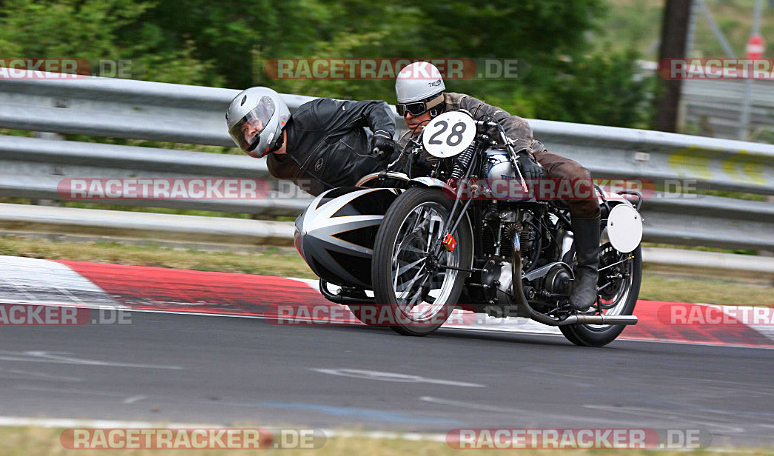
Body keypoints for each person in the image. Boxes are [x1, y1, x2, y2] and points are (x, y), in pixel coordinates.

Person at [393, 61, 600, 311]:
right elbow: (397, 171)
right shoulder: (411, 138)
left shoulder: (463, 105)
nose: (407, 117)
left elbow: (514, 123)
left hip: (514, 156)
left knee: (575, 176)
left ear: (435, 106)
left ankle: (588, 270)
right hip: (472, 188)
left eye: (415, 109)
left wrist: (523, 154)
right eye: (402, 110)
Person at [225, 87, 396, 197]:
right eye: (245, 131)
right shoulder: (277, 167)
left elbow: (374, 107)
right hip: (362, 203)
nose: (251, 132)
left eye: (254, 122)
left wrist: (383, 135)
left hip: (391, 172)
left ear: (269, 109)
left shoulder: (314, 116)